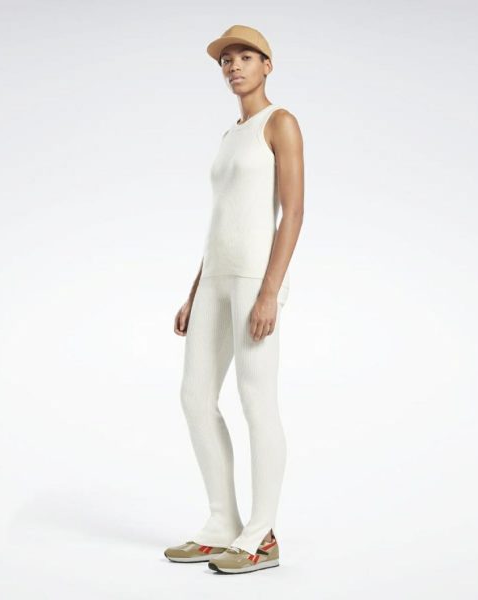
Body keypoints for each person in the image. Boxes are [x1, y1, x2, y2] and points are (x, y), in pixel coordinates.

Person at [164, 24, 304, 574]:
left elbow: (292, 212)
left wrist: (269, 290)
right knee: (195, 396)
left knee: (255, 399)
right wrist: (194, 290)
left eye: (246, 56)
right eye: (226, 60)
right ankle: (222, 522)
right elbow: (222, 217)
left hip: (253, 280)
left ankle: (261, 534)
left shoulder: (280, 122)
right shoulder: (231, 135)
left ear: (267, 65)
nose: (234, 66)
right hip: (215, 279)